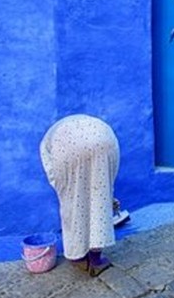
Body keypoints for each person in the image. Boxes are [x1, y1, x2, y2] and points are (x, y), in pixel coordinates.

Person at [39, 114, 120, 276]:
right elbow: (107, 180)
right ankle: (96, 260)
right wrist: (109, 197)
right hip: (106, 139)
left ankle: (78, 258)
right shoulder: (90, 124)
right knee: (100, 199)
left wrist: (67, 192)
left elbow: (55, 177)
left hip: (68, 150)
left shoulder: (47, 145)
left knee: (72, 203)